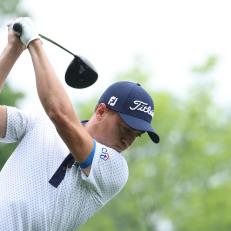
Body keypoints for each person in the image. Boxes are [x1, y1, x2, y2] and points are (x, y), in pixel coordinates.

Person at [0, 17, 159, 231]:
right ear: (101, 111)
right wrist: (13, 50)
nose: (127, 140)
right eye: (125, 129)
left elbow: (59, 113)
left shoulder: (114, 168)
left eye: (136, 135)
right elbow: (58, 116)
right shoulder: (38, 124)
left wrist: (34, 43)